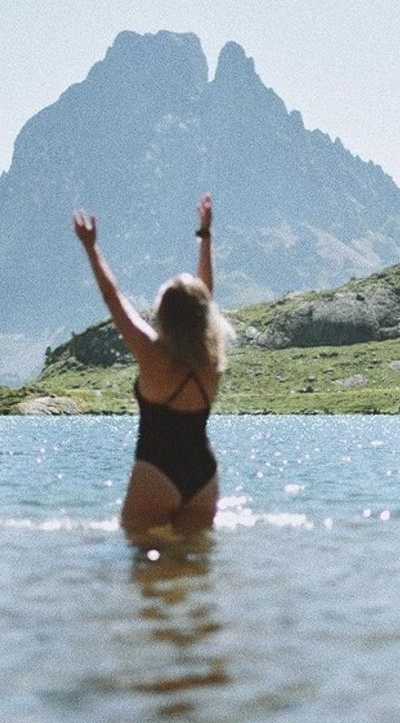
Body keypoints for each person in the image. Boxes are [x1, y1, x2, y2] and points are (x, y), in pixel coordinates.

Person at [73, 194, 230, 539]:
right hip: (204, 477)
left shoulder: (153, 355)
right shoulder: (211, 362)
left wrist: (91, 247)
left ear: (164, 316)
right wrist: (205, 235)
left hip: (156, 473)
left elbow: (113, 299)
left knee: (144, 573)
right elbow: (207, 298)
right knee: (194, 574)